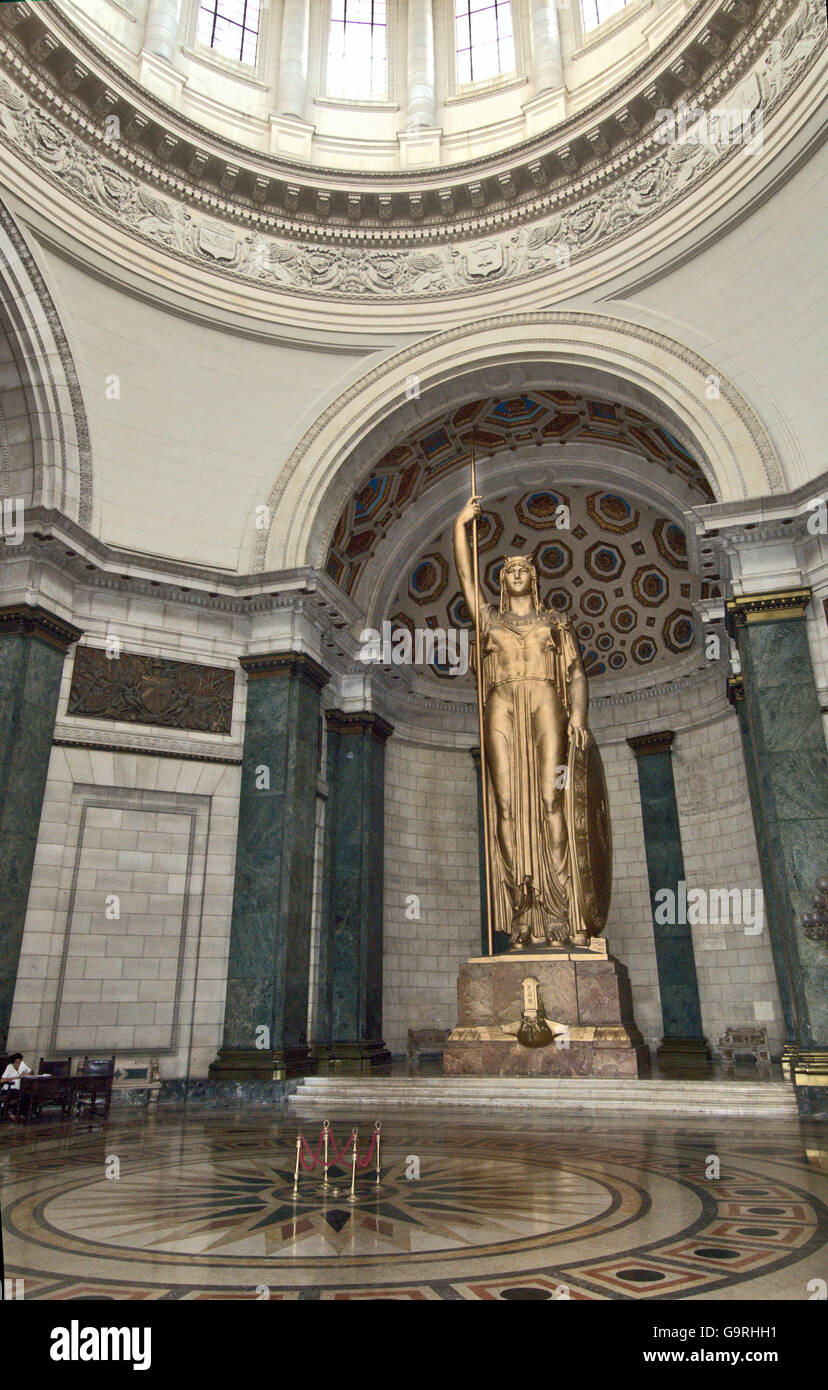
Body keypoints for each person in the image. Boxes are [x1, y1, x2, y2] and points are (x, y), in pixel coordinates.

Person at [454, 495, 592, 947]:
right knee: (506, 806)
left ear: (534, 577)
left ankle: (557, 908)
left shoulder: (555, 620)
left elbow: (575, 674)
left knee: (552, 799)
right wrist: (461, 524)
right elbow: (463, 575)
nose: (516, 574)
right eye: (508, 570)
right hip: (501, 705)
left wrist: (581, 721)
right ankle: (522, 905)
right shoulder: (488, 620)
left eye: (523, 569)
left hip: (547, 702)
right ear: (501, 581)